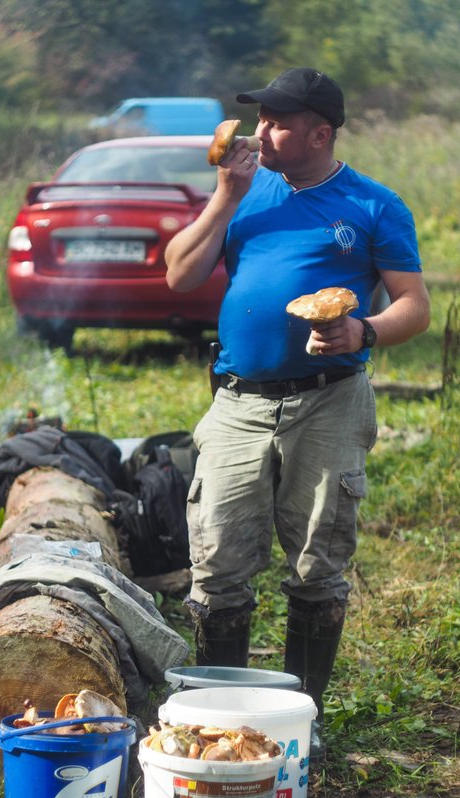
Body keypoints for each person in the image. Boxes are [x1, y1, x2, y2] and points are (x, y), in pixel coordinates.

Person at [165, 67, 430, 758]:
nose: (260, 134)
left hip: (329, 400)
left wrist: (363, 331)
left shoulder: (373, 205)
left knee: (317, 566)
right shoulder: (243, 192)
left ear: (320, 132)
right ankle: (218, 722)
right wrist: (225, 199)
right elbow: (179, 272)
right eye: (260, 119)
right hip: (238, 400)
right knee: (217, 563)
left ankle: (298, 724)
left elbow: (414, 306)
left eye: (278, 123)